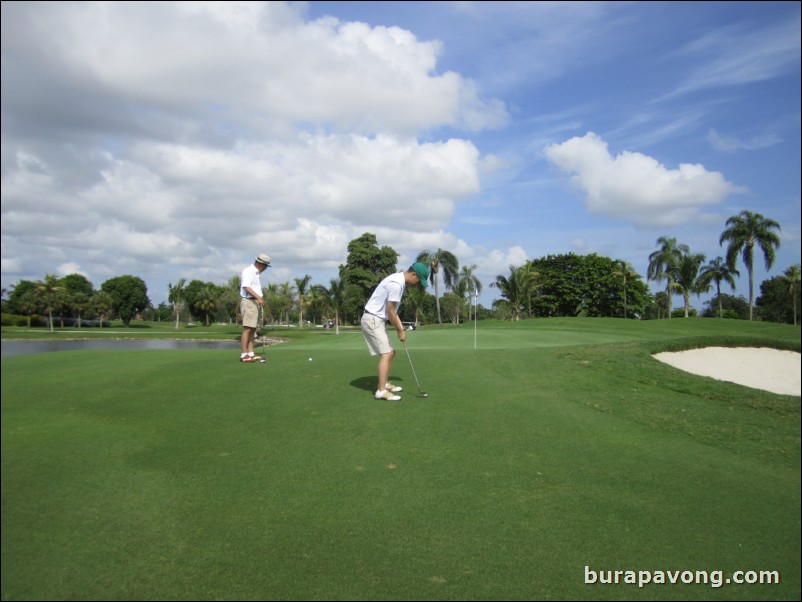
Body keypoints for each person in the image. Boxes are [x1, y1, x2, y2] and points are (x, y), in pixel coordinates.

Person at [361, 262, 429, 401]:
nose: (417, 284)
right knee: (387, 354)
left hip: (377, 319)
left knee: (391, 353)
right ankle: (381, 391)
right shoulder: (396, 285)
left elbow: (391, 312)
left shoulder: (398, 280)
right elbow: (390, 311)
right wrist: (400, 331)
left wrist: (400, 329)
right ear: (413, 274)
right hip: (373, 319)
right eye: (418, 280)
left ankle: (384, 384)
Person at [240, 253, 271, 363]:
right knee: (248, 328)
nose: (266, 268)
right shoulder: (249, 271)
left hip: (254, 302)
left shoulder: (256, 273)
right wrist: (259, 298)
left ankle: (251, 353)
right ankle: (244, 354)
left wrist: (258, 299)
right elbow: (246, 287)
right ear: (260, 263)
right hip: (249, 301)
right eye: (265, 266)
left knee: (253, 329)